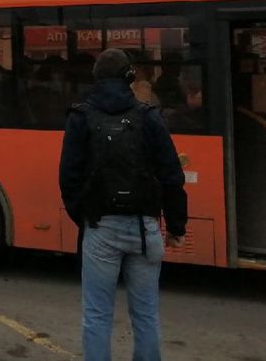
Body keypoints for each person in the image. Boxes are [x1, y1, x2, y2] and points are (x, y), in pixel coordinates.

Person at [59, 48, 187, 361]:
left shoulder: (80, 117)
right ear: (130, 77)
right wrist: (176, 226)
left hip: (100, 227)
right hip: (145, 228)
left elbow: (68, 179)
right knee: (145, 315)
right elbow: (172, 175)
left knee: (97, 315)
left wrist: (87, 218)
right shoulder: (149, 116)